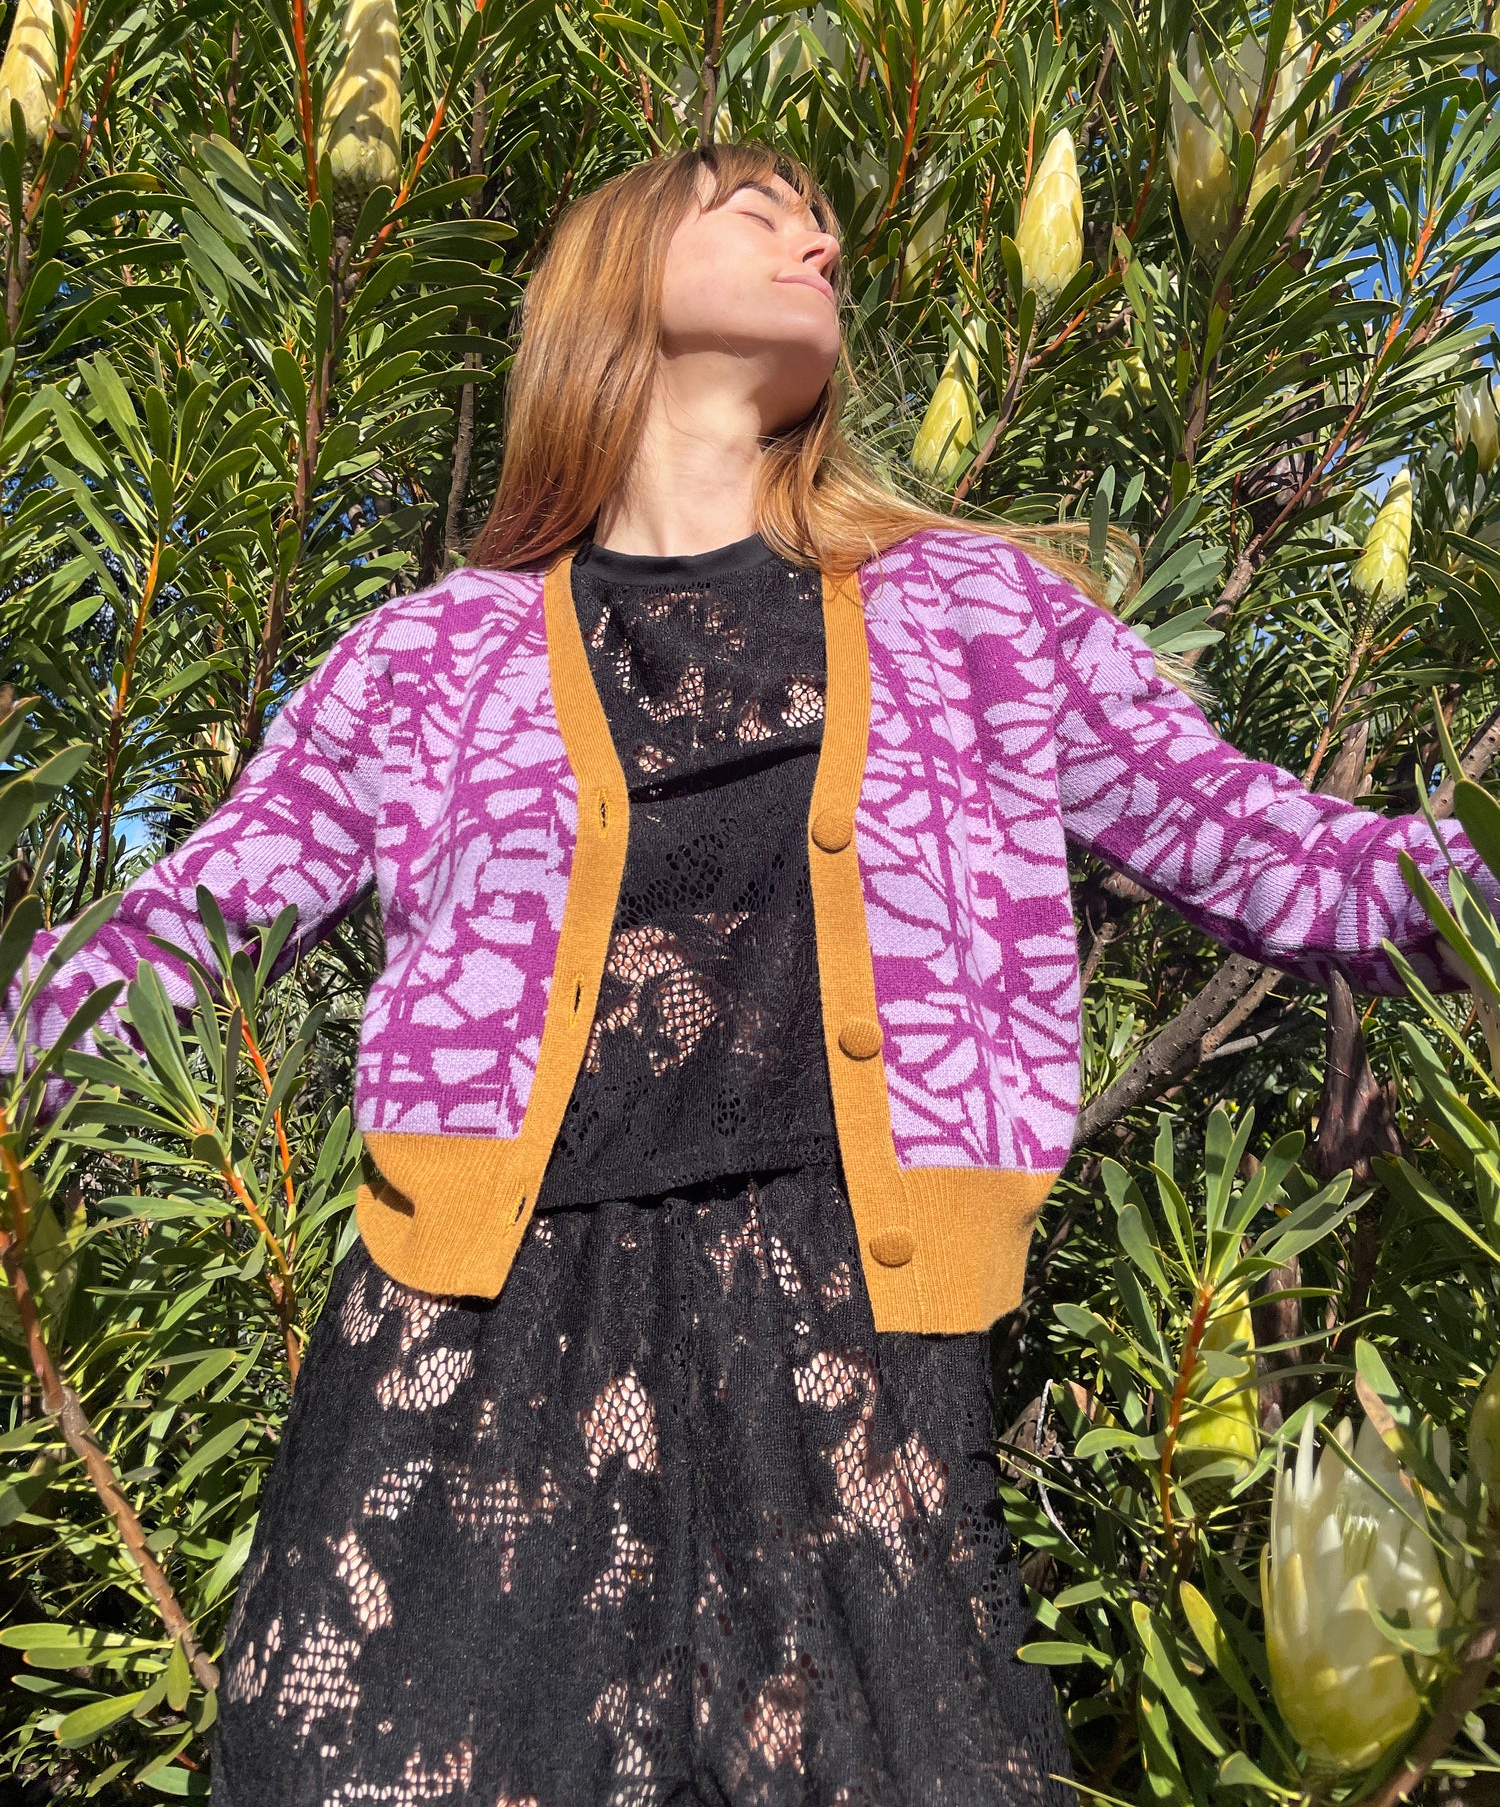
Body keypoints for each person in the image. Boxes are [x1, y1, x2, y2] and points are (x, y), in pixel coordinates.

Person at [12, 142, 1497, 1806]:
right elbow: (192, 923)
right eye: (758, 206)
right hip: (462, 1349)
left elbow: (1279, 852)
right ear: (614, 275)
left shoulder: (982, 616)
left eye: (823, 219)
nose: (821, 236)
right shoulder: (424, 656)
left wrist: (1478, 881)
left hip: (849, 1343)